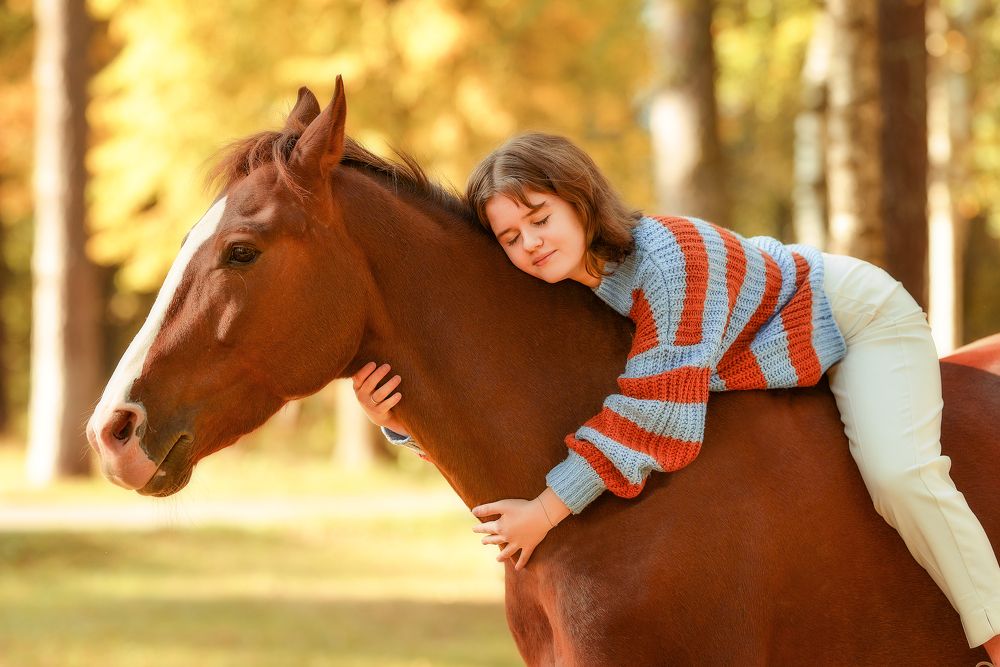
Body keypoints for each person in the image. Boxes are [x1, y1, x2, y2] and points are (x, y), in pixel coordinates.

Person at [352, 132, 1000, 659]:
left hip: (853, 319)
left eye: (539, 218)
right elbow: (515, 404)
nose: (531, 243)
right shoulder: (568, 282)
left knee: (900, 475)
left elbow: (661, 415)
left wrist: (544, 512)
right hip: (759, 350)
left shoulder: (669, 261)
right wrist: (403, 422)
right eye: (510, 238)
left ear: (579, 200)